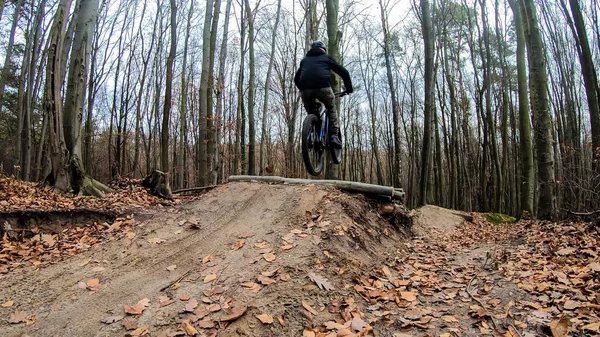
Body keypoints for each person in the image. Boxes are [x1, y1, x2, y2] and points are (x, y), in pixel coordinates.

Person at [294, 40, 353, 149]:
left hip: (305, 90)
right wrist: (349, 89)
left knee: (312, 113)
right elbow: (344, 72)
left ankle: (311, 136)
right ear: (323, 49)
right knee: (331, 108)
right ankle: (334, 136)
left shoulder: (304, 61)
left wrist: (303, 89)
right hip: (323, 87)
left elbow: (296, 79)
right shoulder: (326, 57)